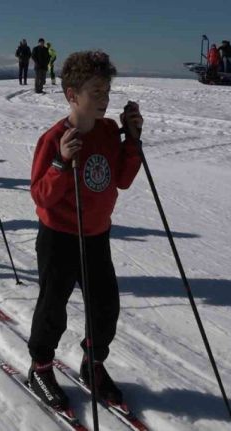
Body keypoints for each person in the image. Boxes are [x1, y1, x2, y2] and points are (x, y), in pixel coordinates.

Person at [26, 50, 143, 410]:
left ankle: (93, 364)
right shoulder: (54, 138)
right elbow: (41, 197)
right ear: (72, 95)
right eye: (96, 92)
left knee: (105, 305)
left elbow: (121, 180)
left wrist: (133, 141)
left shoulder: (109, 131)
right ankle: (41, 367)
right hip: (59, 235)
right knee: (52, 307)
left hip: (96, 234)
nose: (104, 99)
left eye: (107, 91)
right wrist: (61, 161)